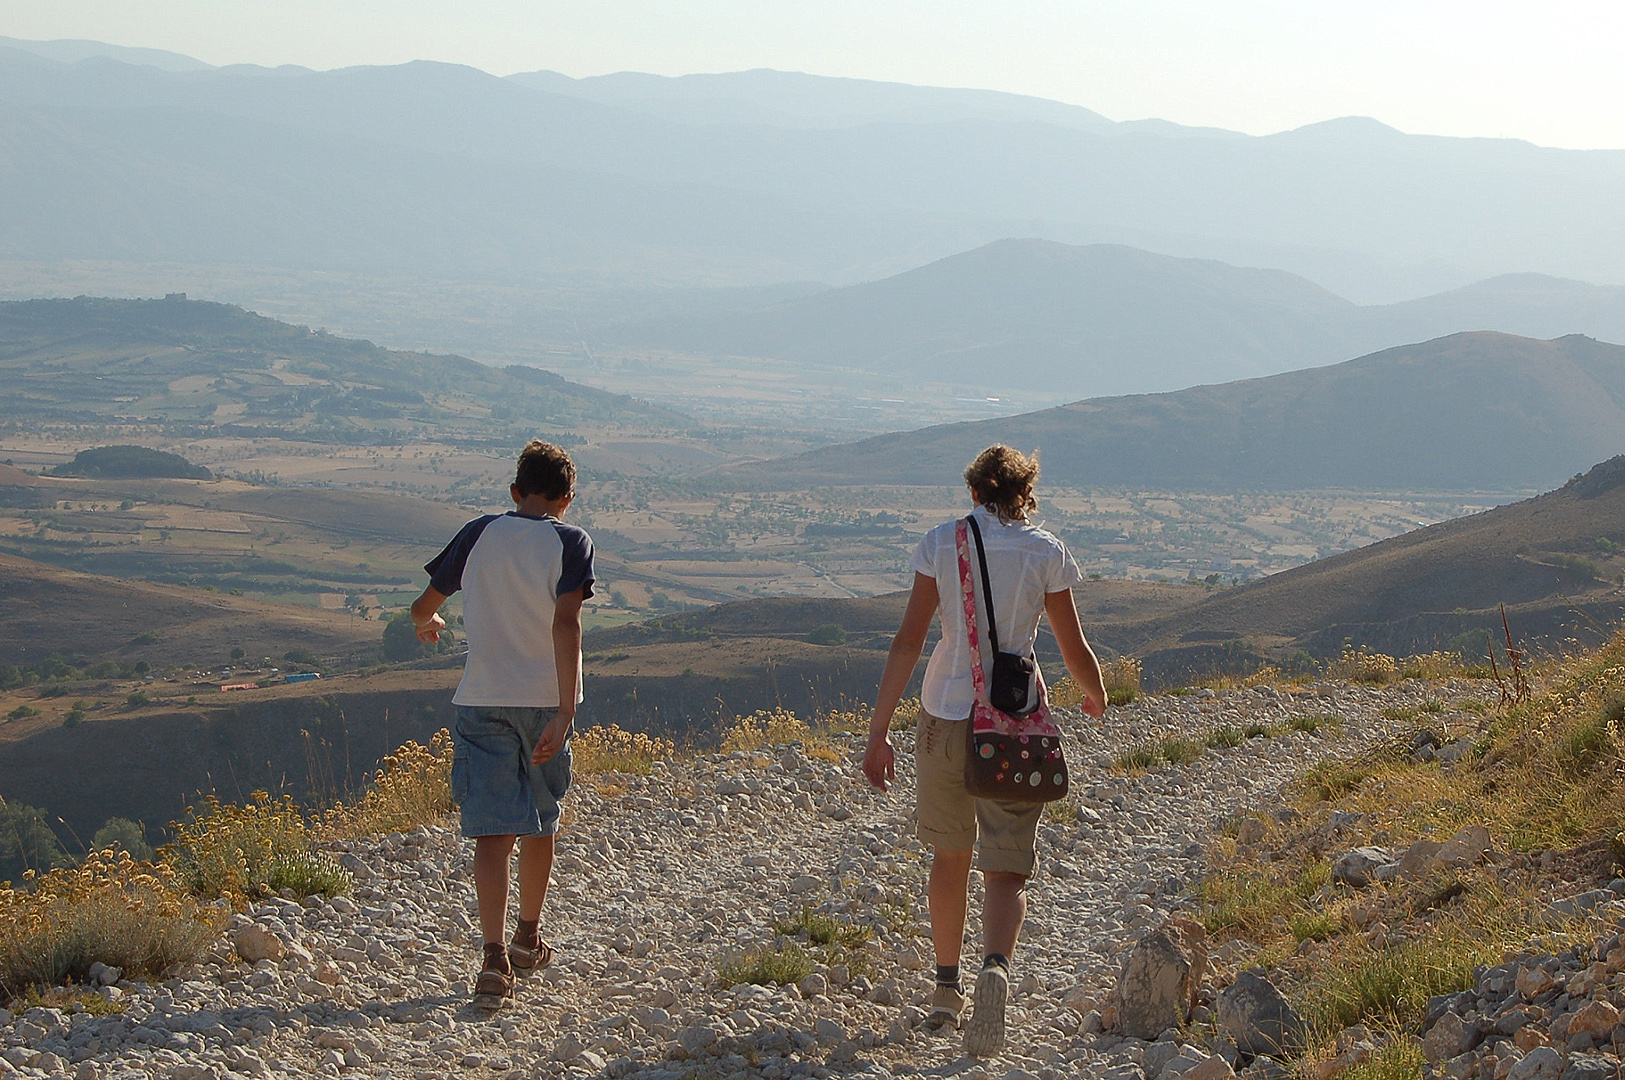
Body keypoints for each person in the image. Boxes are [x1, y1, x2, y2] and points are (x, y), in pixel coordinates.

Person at [862, 444, 1108, 1057]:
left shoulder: (940, 543)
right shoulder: (1045, 551)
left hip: (944, 715)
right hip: (1012, 725)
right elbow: (1070, 644)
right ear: (1026, 494)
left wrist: (879, 730)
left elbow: (908, 640)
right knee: (1006, 868)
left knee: (949, 857)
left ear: (973, 492)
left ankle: (945, 991)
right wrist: (1095, 691)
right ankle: (994, 967)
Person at [407, 439, 595, 1007]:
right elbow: (566, 624)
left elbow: (422, 606)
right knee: (541, 821)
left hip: (481, 699)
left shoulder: (477, 532)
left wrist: (429, 622)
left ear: (515, 492)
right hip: (542, 702)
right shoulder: (570, 542)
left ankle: (491, 960)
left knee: (492, 832)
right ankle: (527, 937)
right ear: (567, 499)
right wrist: (566, 709)